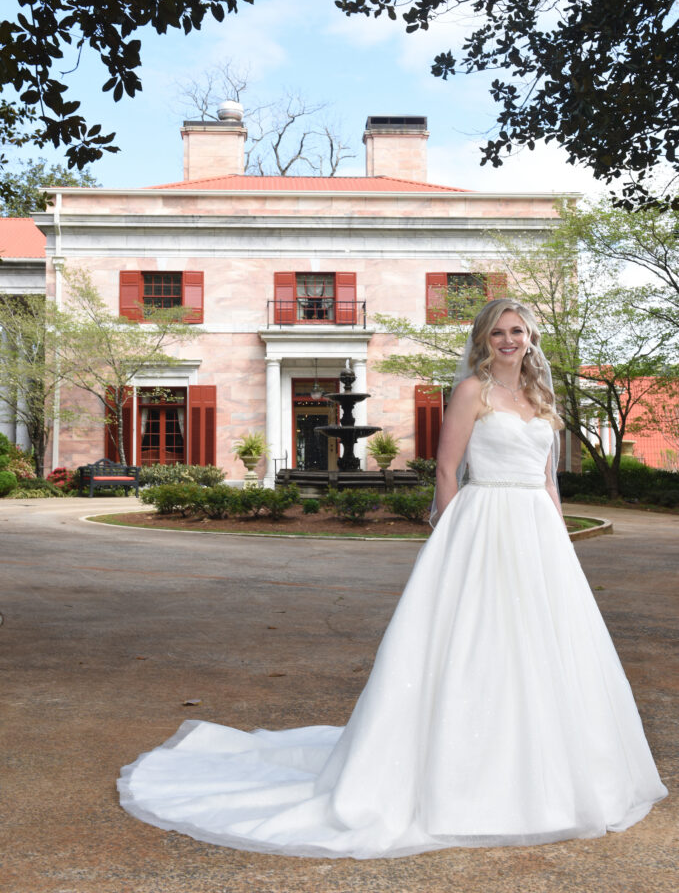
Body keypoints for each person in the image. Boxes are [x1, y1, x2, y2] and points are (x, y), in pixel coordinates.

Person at [118, 298, 667, 859]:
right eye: (498, 331)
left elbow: (549, 483)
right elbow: (449, 471)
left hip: (537, 534)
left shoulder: (542, 397)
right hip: (481, 526)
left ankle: (549, 772)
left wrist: (560, 541)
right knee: (472, 642)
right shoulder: (471, 393)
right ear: (483, 339)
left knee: (545, 648)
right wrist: (452, 541)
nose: (508, 340)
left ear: (530, 338)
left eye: (518, 331)